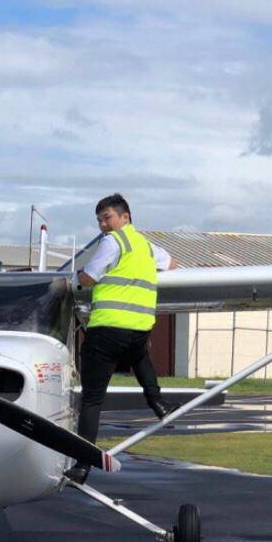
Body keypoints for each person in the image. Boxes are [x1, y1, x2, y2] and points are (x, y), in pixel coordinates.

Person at [65, 193, 177, 485]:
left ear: (124, 217)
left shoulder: (112, 242)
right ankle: (158, 401)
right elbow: (173, 264)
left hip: (107, 329)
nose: (103, 225)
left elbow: (89, 277)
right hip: (140, 327)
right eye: (100, 220)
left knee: (92, 400)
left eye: (107, 218)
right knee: (140, 357)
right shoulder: (147, 246)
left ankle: (82, 465)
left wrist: (73, 279)